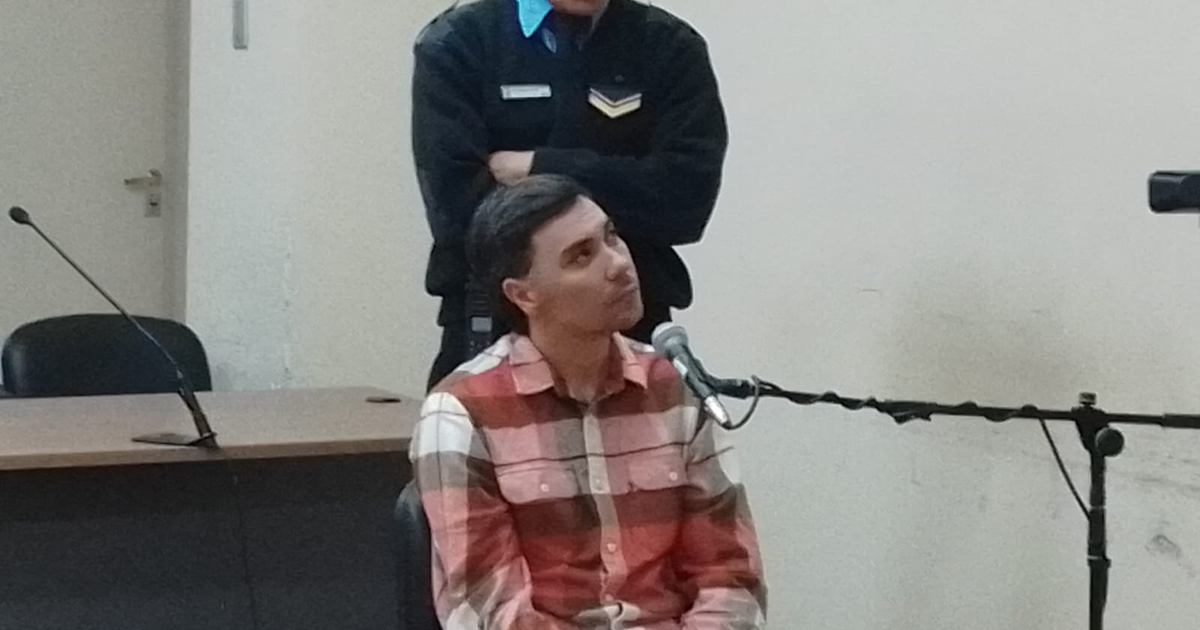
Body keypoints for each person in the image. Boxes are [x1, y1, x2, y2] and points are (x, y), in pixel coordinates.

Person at [409, 174, 766, 629]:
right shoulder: (461, 413)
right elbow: (491, 612)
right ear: (523, 295)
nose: (618, 264)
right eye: (582, 255)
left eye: (611, 236)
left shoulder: (675, 391)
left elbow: (730, 580)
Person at [412, 0, 729, 389]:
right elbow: (457, 209)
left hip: (631, 325)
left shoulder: (668, 44)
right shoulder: (458, 42)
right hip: (493, 322)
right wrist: (624, 184)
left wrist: (539, 165)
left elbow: (685, 201)